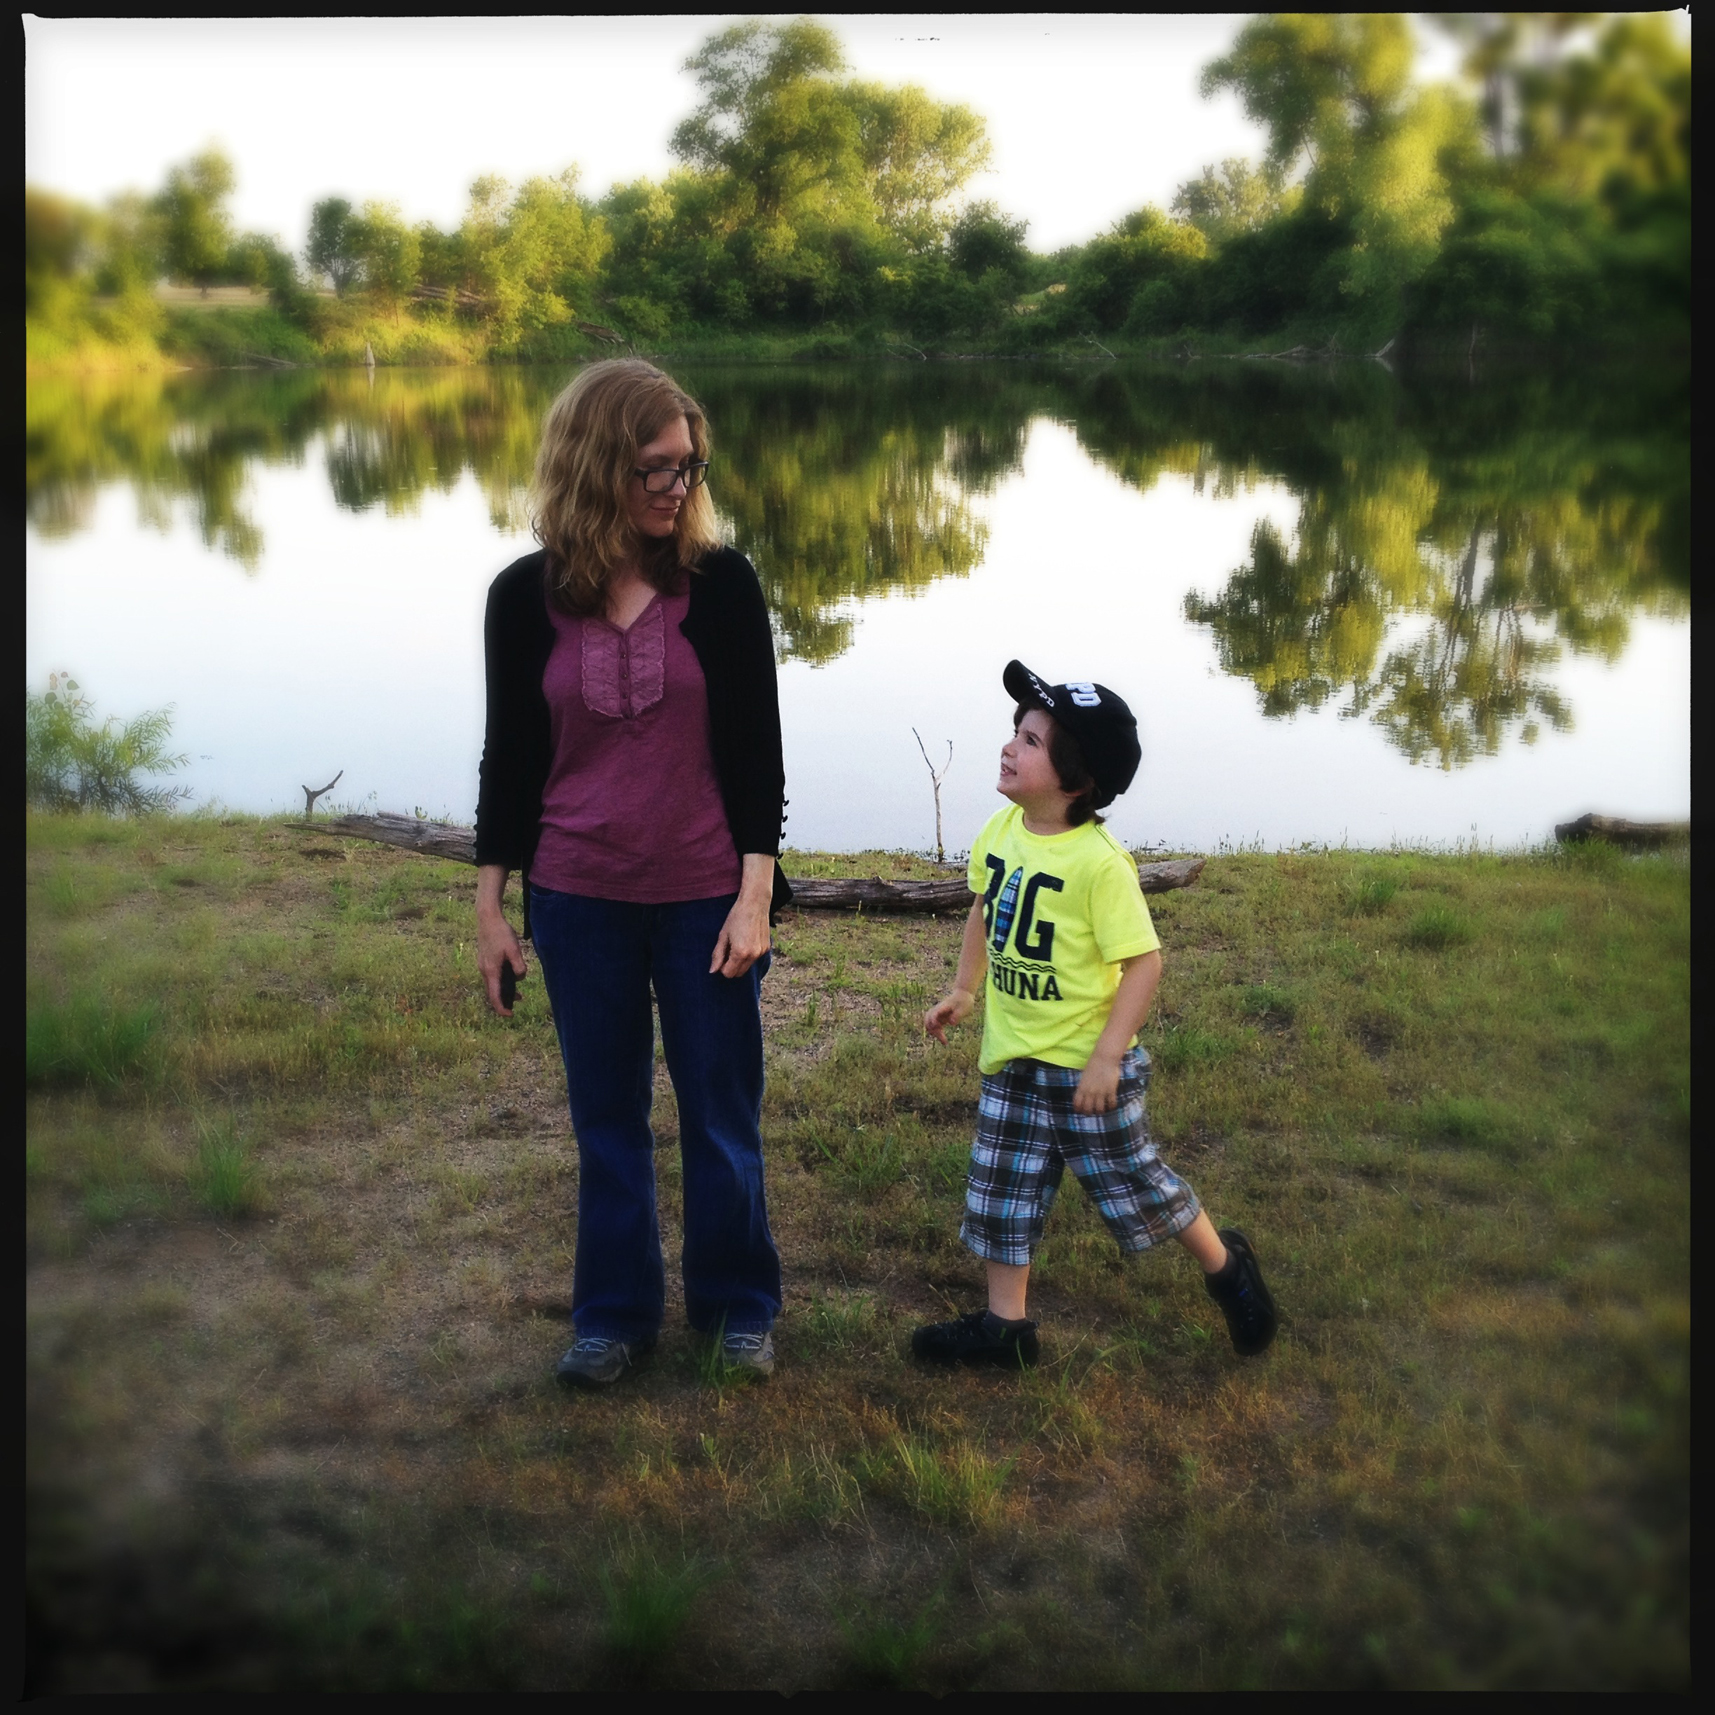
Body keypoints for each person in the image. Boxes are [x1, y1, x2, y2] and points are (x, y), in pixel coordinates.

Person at [474, 359, 791, 1388]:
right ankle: (611, 1316)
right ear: (593, 461)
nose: (676, 486)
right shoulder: (522, 597)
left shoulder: (723, 584)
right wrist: (491, 905)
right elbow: (509, 757)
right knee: (605, 1120)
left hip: (703, 892)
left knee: (720, 1114)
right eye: (654, 466)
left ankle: (736, 1306)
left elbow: (758, 754)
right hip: (577, 896)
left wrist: (754, 894)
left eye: (688, 466)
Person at [912, 660, 1278, 1368]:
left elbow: (1144, 963)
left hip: (1087, 1069)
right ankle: (1005, 1329)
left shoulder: (1101, 864)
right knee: (1001, 1193)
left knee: (1136, 1185)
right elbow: (985, 909)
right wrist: (964, 989)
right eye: (1015, 732)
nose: (1008, 747)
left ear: (1076, 780)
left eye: (1030, 741)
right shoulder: (1000, 831)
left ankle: (1228, 1269)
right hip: (1013, 1057)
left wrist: (1109, 1055)